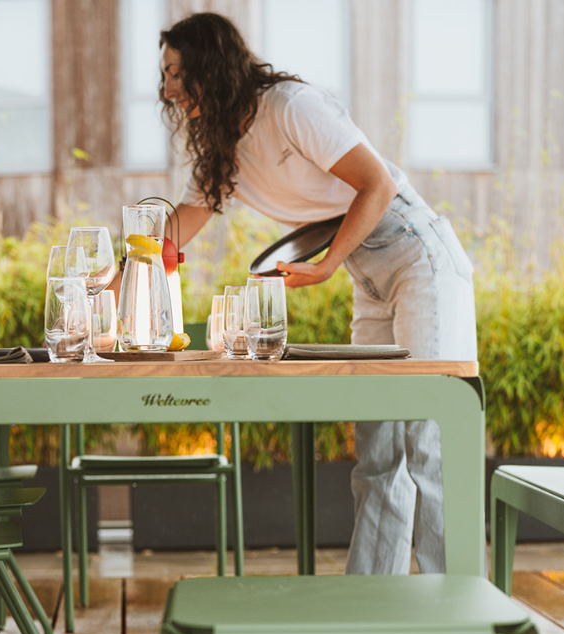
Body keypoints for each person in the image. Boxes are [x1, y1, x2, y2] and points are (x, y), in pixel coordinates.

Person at [158, 12, 477, 575]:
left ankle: (452, 607)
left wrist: (327, 264)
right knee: (378, 453)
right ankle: (371, 603)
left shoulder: (289, 106)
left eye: (177, 73)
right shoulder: (223, 144)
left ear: (210, 65)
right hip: (369, 273)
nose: (168, 89)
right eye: (165, 76)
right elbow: (180, 223)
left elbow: (376, 183)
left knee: (431, 439)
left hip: (418, 256)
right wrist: (119, 276)